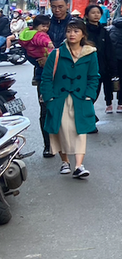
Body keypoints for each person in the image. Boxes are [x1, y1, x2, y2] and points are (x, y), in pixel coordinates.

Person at [39, 19, 99, 179]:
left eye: (76, 31)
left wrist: (89, 96)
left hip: (80, 99)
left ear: (83, 34)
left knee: (79, 131)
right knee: (61, 130)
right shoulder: (57, 53)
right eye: (69, 31)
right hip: (59, 98)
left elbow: (94, 77)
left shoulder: (90, 53)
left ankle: (79, 166)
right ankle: (65, 161)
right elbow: (46, 78)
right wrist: (49, 98)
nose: (72, 34)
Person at [18, 15, 55, 157]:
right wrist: (42, 60)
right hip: (44, 75)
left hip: (63, 73)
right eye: (55, 6)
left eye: (61, 6)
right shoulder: (39, 35)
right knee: (45, 109)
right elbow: (35, 46)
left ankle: (64, 142)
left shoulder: (70, 25)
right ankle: (49, 145)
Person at [84, 5, 113, 118]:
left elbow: (109, 50)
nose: (96, 15)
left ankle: (87, 116)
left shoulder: (104, 31)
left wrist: (112, 68)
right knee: (88, 94)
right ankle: (88, 117)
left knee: (94, 93)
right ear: (87, 15)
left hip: (101, 67)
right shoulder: (83, 31)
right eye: (93, 12)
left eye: (98, 13)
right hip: (85, 67)